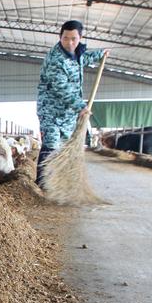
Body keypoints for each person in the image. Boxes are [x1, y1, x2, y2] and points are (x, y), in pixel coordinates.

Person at [36, 20, 109, 185]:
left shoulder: (77, 54)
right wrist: (80, 107)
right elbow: (61, 88)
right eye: (66, 38)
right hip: (50, 110)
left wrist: (101, 53)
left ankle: (58, 181)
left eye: (74, 39)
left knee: (63, 146)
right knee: (51, 143)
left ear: (80, 38)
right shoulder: (56, 59)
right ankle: (42, 183)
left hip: (67, 113)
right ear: (60, 37)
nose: (69, 42)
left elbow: (85, 58)